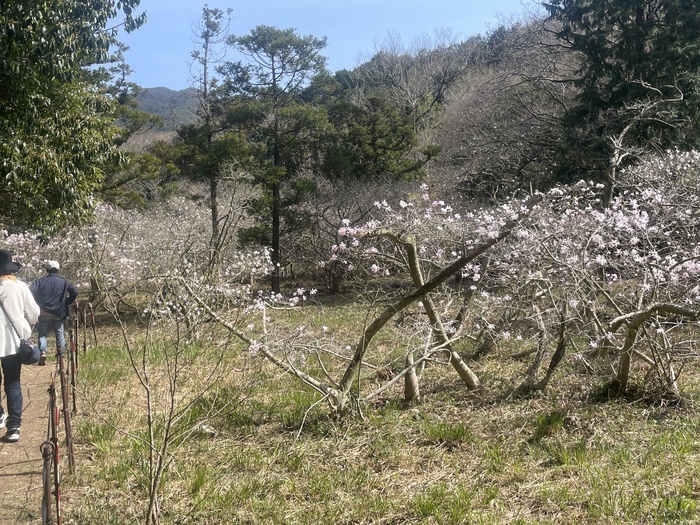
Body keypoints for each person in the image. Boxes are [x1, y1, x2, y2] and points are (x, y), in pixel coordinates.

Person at [0, 249, 40, 443]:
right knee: (12, 383)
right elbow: (34, 312)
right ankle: (14, 427)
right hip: (13, 343)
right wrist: (26, 324)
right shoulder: (20, 286)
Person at [29, 260, 79, 366]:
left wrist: (36, 302)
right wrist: (67, 302)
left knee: (42, 333)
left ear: (47, 270)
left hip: (43, 312)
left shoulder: (40, 281)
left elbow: (30, 291)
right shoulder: (64, 282)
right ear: (58, 270)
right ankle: (61, 355)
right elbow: (75, 291)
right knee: (59, 333)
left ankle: (43, 352)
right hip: (58, 312)